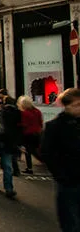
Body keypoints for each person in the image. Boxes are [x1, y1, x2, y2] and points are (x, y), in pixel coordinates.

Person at [42, 88, 80, 232]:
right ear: (66, 106)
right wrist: (60, 175)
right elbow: (47, 153)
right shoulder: (55, 126)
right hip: (68, 180)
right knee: (70, 221)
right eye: (76, 105)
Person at [17, 95, 43, 175]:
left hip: (28, 134)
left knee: (28, 151)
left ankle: (29, 168)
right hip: (37, 132)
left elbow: (24, 124)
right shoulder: (37, 111)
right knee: (36, 149)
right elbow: (40, 121)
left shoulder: (24, 113)